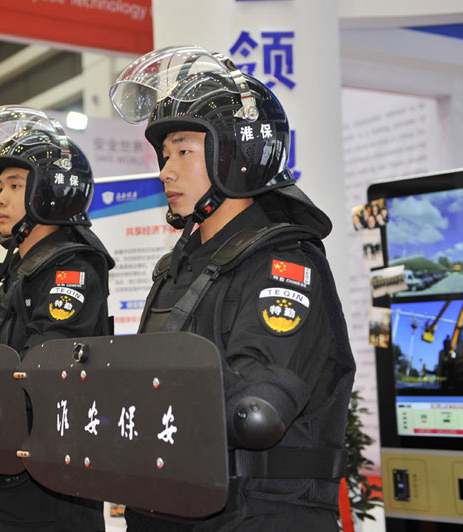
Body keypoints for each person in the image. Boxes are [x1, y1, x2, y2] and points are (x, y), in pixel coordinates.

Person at [110, 46, 356, 531]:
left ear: (237, 155)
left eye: (184, 151)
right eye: (165, 154)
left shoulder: (283, 265)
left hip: (258, 516)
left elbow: (256, 411)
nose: (165, 171)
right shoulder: (175, 271)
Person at [0, 106, 111, 531]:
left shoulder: (72, 270)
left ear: (51, 191)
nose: (0, 198)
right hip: (1, 474)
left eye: (15, 184)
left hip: (48, 491)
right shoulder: (11, 273)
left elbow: (42, 371)